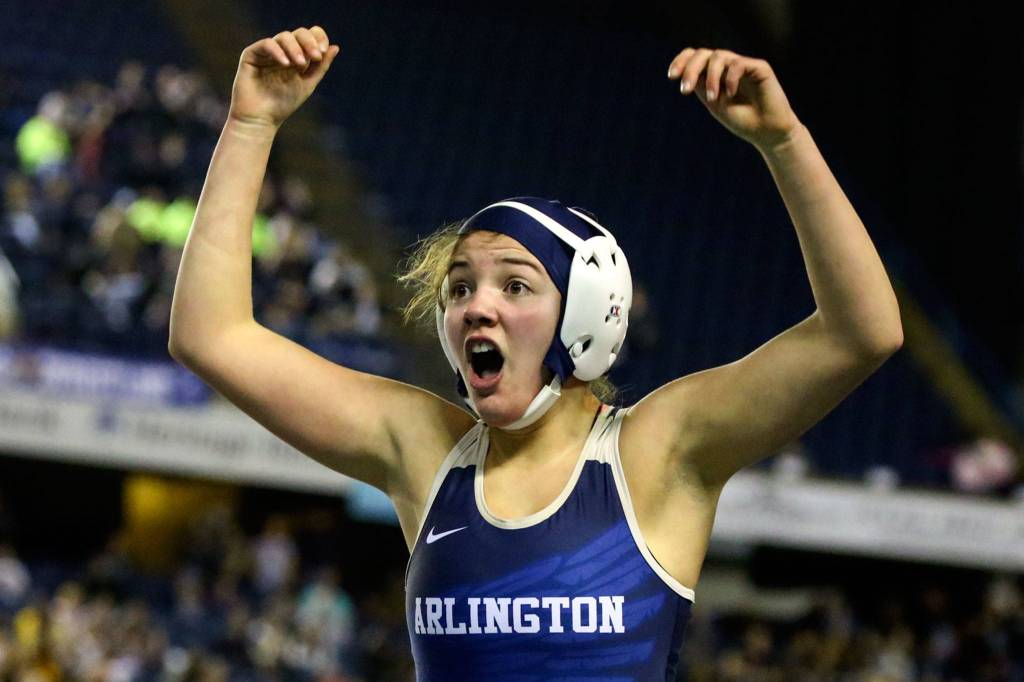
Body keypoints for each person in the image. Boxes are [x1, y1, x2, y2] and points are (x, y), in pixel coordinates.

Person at [168, 26, 903, 680]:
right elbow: (212, 335)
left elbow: (862, 333)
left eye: (515, 285)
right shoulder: (424, 450)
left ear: (586, 314)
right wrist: (250, 125)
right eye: (460, 288)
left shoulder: (657, 453)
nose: (476, 306)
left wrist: (784, 143)